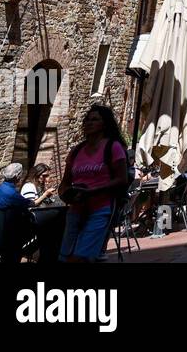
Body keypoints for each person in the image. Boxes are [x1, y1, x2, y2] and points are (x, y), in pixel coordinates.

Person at [58, 104, 129, 262]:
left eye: (95, 119)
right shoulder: (76, 151)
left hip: (101, 209)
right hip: (76, 209)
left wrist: (93, 191)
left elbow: (121, 179)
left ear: (104, 124)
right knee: (66, 257)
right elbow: (64, 183)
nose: (89, 123)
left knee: (81, 257)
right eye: (87, 120)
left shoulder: (113, 147)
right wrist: (66, 195)